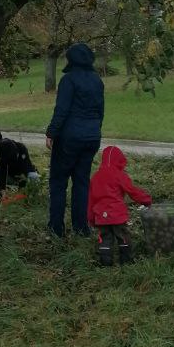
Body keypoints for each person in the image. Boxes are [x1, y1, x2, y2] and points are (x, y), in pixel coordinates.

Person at [45, 42, 105, 238]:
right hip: (91, 137)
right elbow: (100, 111)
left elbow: (61, 110)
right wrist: (95, 131)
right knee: (81, 182)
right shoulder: (97, 80)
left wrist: (51, 133)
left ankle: (56, 229)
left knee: (59, 182)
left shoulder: (68, 80)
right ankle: (81, 228)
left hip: (69, 138)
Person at [87, 146, 152, 265]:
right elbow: (132, 191)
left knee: (105, 238)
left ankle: (105, 263)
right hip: (117, 214)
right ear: (119, 160)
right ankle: (126, 261)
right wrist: (146, 200)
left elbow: (90, 200)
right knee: (123, 236)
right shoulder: (119, 175)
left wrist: (91, 219)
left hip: (101, 215)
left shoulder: (95, 177)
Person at [0, 132, 41, 196]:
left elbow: (25, 170)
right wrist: (3, 190)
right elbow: (2, 171)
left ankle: (30, 195)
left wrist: (20, 192)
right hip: (11, 177)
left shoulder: (22, 148)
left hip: (25, 177)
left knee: (34, 176)